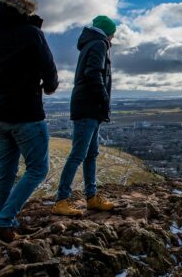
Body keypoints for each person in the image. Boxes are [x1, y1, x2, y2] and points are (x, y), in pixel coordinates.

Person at [0, 0, 58, 242]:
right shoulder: (32, 33)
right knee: (37, 169)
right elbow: (49, 71)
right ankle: (3, 221)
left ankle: (6, 222)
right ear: (25, 8)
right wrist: (48, 84)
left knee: (5, 171)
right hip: (26, 113)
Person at [52, 15, 116, 216]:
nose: (114, 38)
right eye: (113, 33)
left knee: (91, 154)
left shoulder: (92, 43)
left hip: (90, 106)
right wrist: (104, 98)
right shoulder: (99, 44)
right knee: (79, 154)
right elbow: (93, 73)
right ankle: (61, 200)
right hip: (89, 106)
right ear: (108, 32)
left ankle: (92, 197)